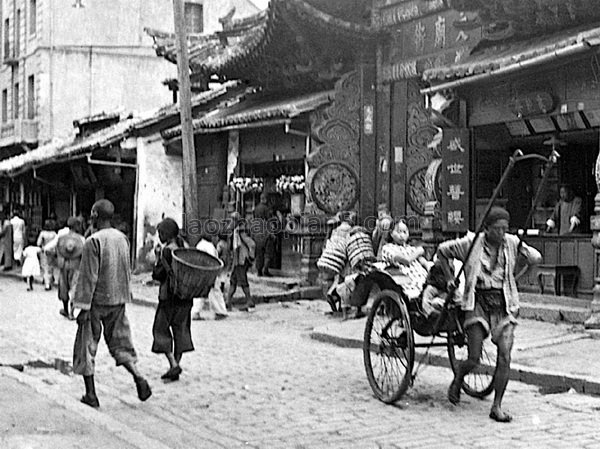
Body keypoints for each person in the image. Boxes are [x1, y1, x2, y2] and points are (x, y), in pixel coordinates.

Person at [437, 206, 542, 422]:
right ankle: (458, 379)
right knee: (474, 358)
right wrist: (450, 280)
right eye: (497, 229)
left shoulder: (512, 243)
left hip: (504, 304)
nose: (502, 233)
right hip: (477, 302)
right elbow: (442, 251)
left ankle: (497, 406)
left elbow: (535, 258)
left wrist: (515, 279)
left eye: (505, 228)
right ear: (487, 229)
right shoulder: (471, 243)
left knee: (505, 356)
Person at [72, 199, 151, 408]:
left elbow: (88, 277)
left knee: (86, 346)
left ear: (95, 215)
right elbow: (126, 269)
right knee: (121, 343)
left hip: (97, 302)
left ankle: (91, 394)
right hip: (118, 299)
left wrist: (83, 307)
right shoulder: (122, 238)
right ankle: (138, 377)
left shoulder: (93, 241)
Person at [151, 218, 194, 382]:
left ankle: (173, 363)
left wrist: (157, 258)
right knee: (181, 330)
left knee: (160, 329)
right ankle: (175, 364)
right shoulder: (184, 248)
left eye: (160, 233)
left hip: (169, 297)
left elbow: (158, 275)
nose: (159, 237)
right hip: (185, 297)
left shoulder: (167, 251)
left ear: (166, 234)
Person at [381, 220, 431, 299]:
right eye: (399, 232)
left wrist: (429, 269)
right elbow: (406, 260)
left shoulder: (411, 248)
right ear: (391, 233)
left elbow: (423, 261)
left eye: (405, 232)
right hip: (406, 281)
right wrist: (419, 251)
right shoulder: (388, 248)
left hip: (423, 279)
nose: (402, 235)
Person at [55, 218, 85, 319]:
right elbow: (84, 253)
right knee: (74, 287)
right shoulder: (81, 239)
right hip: (76, 265)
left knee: (63, 287)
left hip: (63, 265)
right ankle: (72, 312)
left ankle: (65, 310)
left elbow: (57, 250)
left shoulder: (61, 237)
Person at [193, 233, 228, 320]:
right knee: (215, 292)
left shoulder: (199, 245)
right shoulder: (209, 247)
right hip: (209, 272)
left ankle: (195, 312)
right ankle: (220, 311)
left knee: (200, 293)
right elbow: (213, 261)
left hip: (200, 272)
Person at [225, 212, 256, 311]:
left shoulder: (241, 233)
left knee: (243, 281)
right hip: (236, 261)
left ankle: (249, 302)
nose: (231, 222)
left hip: (242, 260)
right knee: (233, 281)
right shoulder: (234, 233)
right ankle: (228, 302)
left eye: (233, 220)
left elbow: (252, 244)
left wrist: (251, 257)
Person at [252, 193, 275, 277]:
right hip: (265, 233)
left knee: (259, 253)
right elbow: (269, 221)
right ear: (265, 199)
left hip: (257, 233)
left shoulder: (256, 209)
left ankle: (259, 271)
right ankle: (265, 270)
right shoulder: (267, 209)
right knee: (268, 253)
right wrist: (272, 233)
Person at [37, 219, 58, 290]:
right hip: (52, 251)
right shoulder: (54, 234)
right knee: (51, 267)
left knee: (45, 267)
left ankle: (47, 283)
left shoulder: (42, 233)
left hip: (44, 251)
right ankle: (50, 279)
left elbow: (38, 243)